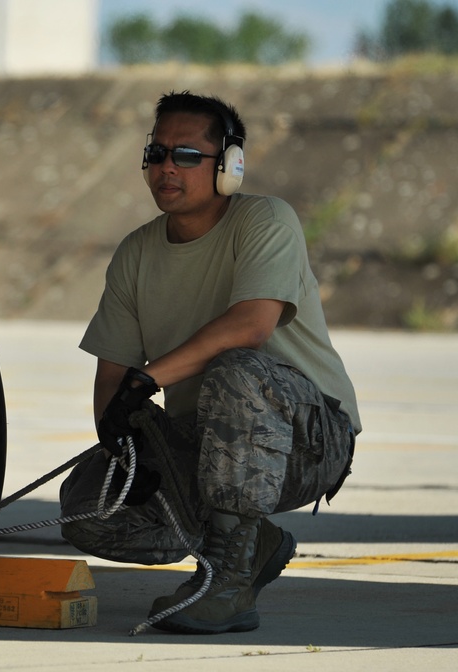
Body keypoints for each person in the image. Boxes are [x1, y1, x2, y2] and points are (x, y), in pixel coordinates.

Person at [59, 91, 360, 635]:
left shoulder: (267, 220)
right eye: (157, 154)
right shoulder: (136, 253)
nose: (167, 167)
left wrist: (149, 380)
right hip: (209, 444)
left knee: (236, 370)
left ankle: (227, 580)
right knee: (88, 505)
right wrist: (129, 444)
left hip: (307, 438)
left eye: (187, 156)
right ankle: (252, 542)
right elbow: (112, 381)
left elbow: (251, 326)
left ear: (228, 166)